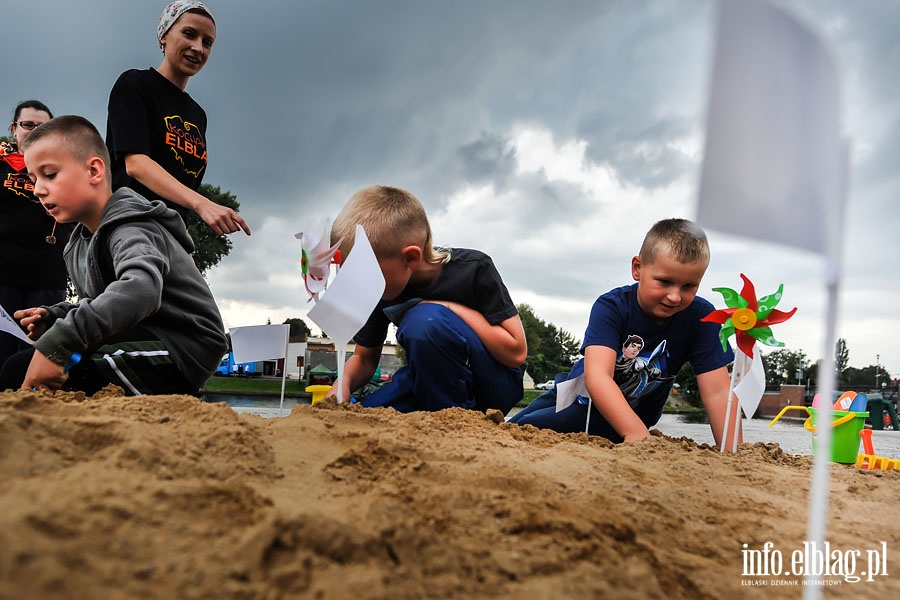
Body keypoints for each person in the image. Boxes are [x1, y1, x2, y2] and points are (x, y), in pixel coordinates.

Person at [0, 115, 227, 396]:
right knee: (15, 368)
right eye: (33, 179)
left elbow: (140, 291)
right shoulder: (76, 246)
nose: (37, 190)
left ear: (94, 171)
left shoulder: (131, 225)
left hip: (184, 344)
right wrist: (55, 316)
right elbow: (101, 304)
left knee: (90, 367)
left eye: (49, 174)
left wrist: (60, 340)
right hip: (137, 332)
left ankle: (179, 405)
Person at [510, 218, 739, 446]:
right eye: (664, 281)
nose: (675, 296)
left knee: (528, 426)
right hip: (580, 396)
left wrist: (732, 448)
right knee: (511, 425)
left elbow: (718, 392)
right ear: (637, 268)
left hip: (627, 415)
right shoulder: (612, 306)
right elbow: (598, 376)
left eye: (689, 286)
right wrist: (636, 433)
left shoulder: (703, 318)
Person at [328, 185, 528, 414]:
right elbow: (364, 358)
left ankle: (454, 419)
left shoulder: (474, 268)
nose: (361, 285)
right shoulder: (381, 288)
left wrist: (447, 308)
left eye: (365, 275)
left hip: (493, 381)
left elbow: (516, 352)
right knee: (369, 414)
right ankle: (436, 409)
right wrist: (341, 384)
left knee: (424, 321)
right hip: (426, 378)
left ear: (411, 257)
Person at [105, 1, 250, 237]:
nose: (198, 48)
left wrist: (184, 242)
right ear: (164, 35)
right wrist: (202, 204)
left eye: (207, 42)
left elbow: (184, 186)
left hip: (172, 236)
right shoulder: (135, 85)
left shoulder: (198, 115)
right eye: (189, 34)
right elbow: (136, 164)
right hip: (130, 225)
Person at [0, 100, 73, 367]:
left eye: (42, 127)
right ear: (14, 128)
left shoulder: (66, 169)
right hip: (4, 274)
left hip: (48, 275)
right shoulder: (1, 163)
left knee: (38, 352)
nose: (33, 131)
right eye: (27, 125)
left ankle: (35, 406)